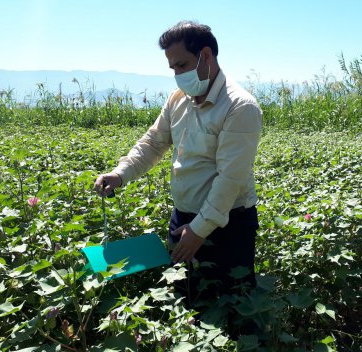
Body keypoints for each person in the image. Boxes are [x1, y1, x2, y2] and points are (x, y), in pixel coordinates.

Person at [94, 20, 262, 309]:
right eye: (172, 68)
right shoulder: (178, 100)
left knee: (232, 304)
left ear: (206, 56)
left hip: (228, 223)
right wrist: (120, 174)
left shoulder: (239, 107)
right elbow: (154, 142)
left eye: (182, 65)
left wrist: (199, 229)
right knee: (187, 299)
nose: (177, 75)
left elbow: (229, 178)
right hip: (182, 217)